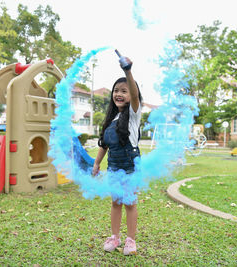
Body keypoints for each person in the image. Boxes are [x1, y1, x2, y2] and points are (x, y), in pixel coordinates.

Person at [92, 55, 142, 256]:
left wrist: (128, 71)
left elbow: (136, 97)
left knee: (130, 202)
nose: (118, 94)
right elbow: (104, 145)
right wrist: (96, 164)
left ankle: (131, 241)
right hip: (113, 167)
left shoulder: (134, 114)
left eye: (124, 91)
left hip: (130, 166)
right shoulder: (111, 118)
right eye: (116, 91)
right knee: (115, 202)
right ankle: (115, 238)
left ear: (132, 95)